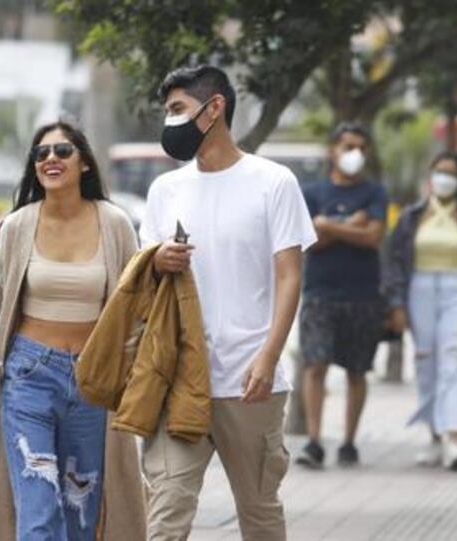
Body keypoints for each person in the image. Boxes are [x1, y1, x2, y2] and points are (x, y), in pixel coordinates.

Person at [139, 65, 316, 541]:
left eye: (178, 109)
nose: (170, 122)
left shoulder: (273, 182)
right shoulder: (165, 190)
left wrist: (269, 356)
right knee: (165, 514)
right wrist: (157, 260)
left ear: (214, 108)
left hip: (250, 380)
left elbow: (289, 276)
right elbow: (142, 280)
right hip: (179, 379)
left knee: (258, 512)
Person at [0, 121, 146, 541]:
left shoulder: (115, 223)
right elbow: (1, 294)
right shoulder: (18, 225)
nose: (51, 159)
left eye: (62, 151)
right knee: (38, 515)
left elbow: (134, 302)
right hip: (28, 375)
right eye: (41, 154)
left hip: (93, 380)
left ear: (85, 163)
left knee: (81, 510)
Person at [296, 123, 389, 469]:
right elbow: (310, 242)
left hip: (363, 294)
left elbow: (373, 239)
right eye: (349, 146)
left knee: (357, 369)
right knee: (315, 364)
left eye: (362, 148)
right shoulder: (312, 193)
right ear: (332, 150)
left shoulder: (375, 193)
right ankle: (314, 440)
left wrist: (328, 225)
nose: (356, 154)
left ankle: (349, 441)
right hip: (320, 292)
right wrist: (354, 223)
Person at [385, 151, 457, 471]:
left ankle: (454, 439)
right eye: (439, 171)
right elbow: (395, 262)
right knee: (426, 361)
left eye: (451, 173)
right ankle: (433, 435)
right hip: (420, 290)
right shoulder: (412, 216)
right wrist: (396, 303)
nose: (444, 178)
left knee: (456, 358)